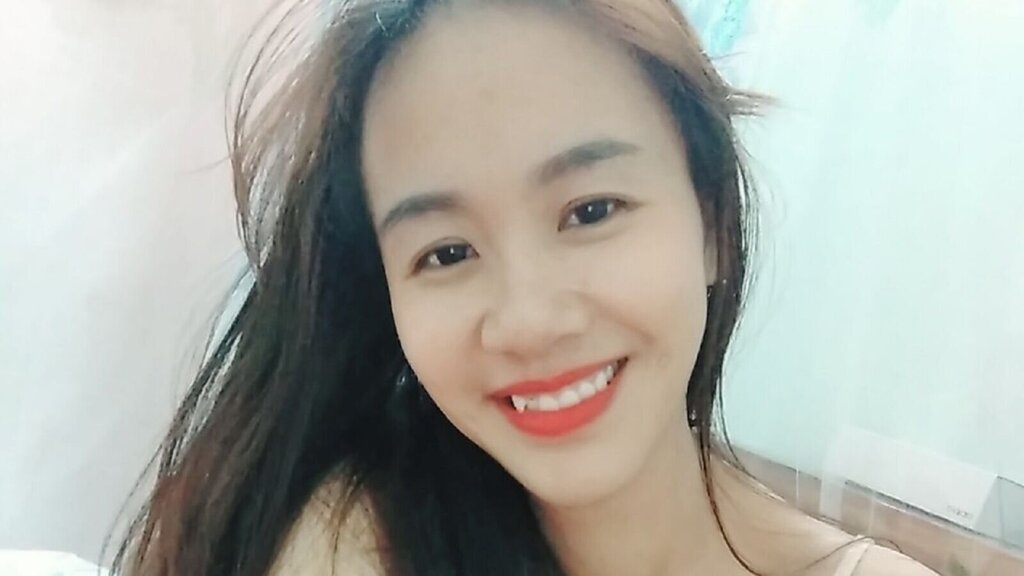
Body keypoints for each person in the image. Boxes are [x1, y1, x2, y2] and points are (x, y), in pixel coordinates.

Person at [111, 1, 939, 574]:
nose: (528, 321)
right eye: (446, 253)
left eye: (590, 211)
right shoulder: (355, 540)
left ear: (713, 224)